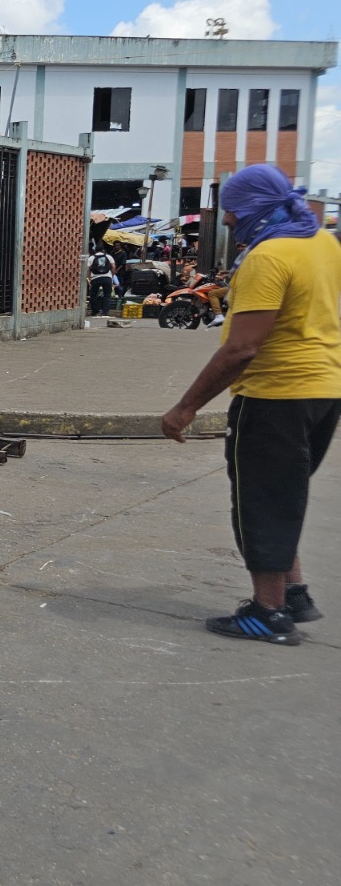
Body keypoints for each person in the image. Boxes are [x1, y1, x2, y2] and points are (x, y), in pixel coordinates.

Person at [161, 164, 341, 645]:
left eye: (232, 212)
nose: (226, 222)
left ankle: (268, 611)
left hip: (275, 395)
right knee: (286, 493)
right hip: (324, 391)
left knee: (261, 501)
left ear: (254, 209)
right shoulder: (321, 242)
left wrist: (186, 407)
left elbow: (242, 348)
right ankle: (295, 592)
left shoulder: (269, 257)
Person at [87, 248, 117, 316]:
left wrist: (89, 278)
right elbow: (113, 267)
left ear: (95, 251)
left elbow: (88, 269)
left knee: (93, 295)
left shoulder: (91, 258)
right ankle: (105, 312)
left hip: (95, 278)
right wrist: (112, 277)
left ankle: (95, 311)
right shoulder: (109, 256)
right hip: (107, 278)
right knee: (107, 295)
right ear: (103, 251)